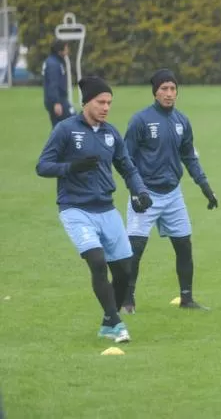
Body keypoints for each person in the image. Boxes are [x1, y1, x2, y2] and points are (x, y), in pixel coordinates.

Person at [36, 76, 153, 343]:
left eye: (109, 102)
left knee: (125, 270)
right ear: (87, 102)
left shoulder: (111, 133)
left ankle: (106, 322)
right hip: (75, 209)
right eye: (101, 102)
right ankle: (117, 322)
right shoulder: (65, 130)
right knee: (98, 262)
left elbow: (127, 167)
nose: (106, 107)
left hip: (107, 210)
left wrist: (141, 191)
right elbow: (42, 166)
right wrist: (70, 167)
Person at [121, 69, 218, 313]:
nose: (169, 93)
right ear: (155, 92)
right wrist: (135, 191)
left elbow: (189, 157)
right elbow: (125, 159)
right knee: (135, 248)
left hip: (173, 194)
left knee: (184, 245)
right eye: (164, 88)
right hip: (145, 193)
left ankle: (187, 298)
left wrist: (205, 187)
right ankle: (127, 299)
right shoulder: (140, 120)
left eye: (173, 88)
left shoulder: (182, 121)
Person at [43, 40, 73, 128]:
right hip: (59, 100)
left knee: (59, 128)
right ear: (60, 51)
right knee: (73, 120)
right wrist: (56, 102)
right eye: (66, 48)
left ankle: (57, 142)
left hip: (58, 99)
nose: (68, 50)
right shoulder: (53, 64)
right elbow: (53, 84)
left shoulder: (56, 61)